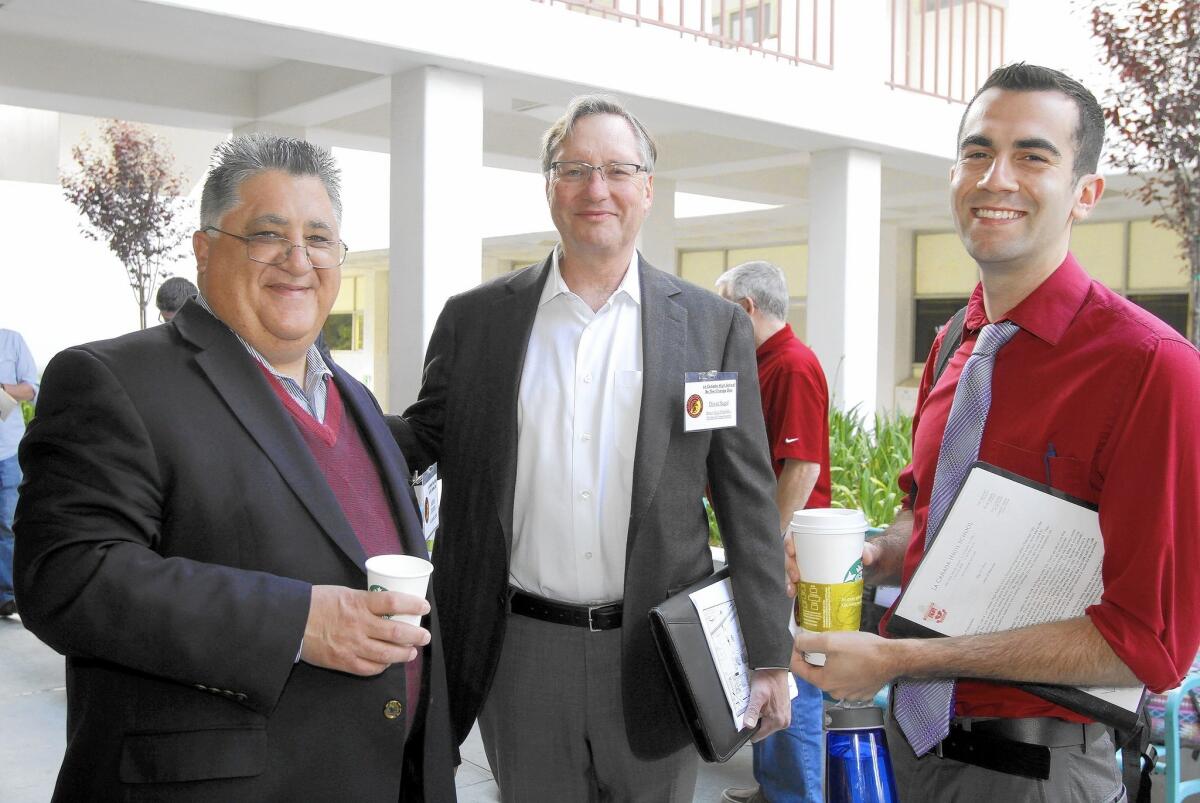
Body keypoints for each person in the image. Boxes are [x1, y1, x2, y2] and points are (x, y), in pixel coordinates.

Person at [791, 63, 1200, 801]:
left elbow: (1152, 644)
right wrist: (873, 554)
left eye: (1032, 156)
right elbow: (927, 519)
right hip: (908, 757)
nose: (996, 177)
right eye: (977, 152)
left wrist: (898, 660)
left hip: (1037, 774)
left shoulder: (1152, 369)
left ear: (1086, 194)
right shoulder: (954, 344)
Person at [14, 135, 456, 801]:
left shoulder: (354, 399)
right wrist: (297, 623)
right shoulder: (113, 379)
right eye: (267, 234)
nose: (298, 260)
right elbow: (68, 578)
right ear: (203, 248)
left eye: (319, 238)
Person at [393, 94, 793, 802]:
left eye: (616, 169)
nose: (596, 189)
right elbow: (419, 441)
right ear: (549, 185)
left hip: (658, 655)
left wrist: (768, 655)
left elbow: (748, 502)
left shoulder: (710, 327)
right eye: (575, 169)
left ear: (647, 187)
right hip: (520, 653)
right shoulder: (476, 322)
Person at [716, 260, 830, 803]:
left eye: (721, 307)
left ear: (744, 309)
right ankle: (773, 786)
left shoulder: (791, 365)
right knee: (767, 662)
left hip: (789, 549)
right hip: (770, 544)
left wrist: (762, 547)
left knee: (792, 677)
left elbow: (803, 468)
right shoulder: (756, 363)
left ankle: (794, 797)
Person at [0, 327, 37, 618]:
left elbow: (30, 388)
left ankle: (8, 596)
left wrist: (2, 390)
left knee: (8, 524)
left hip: (7, 451)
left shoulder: (11, 341)